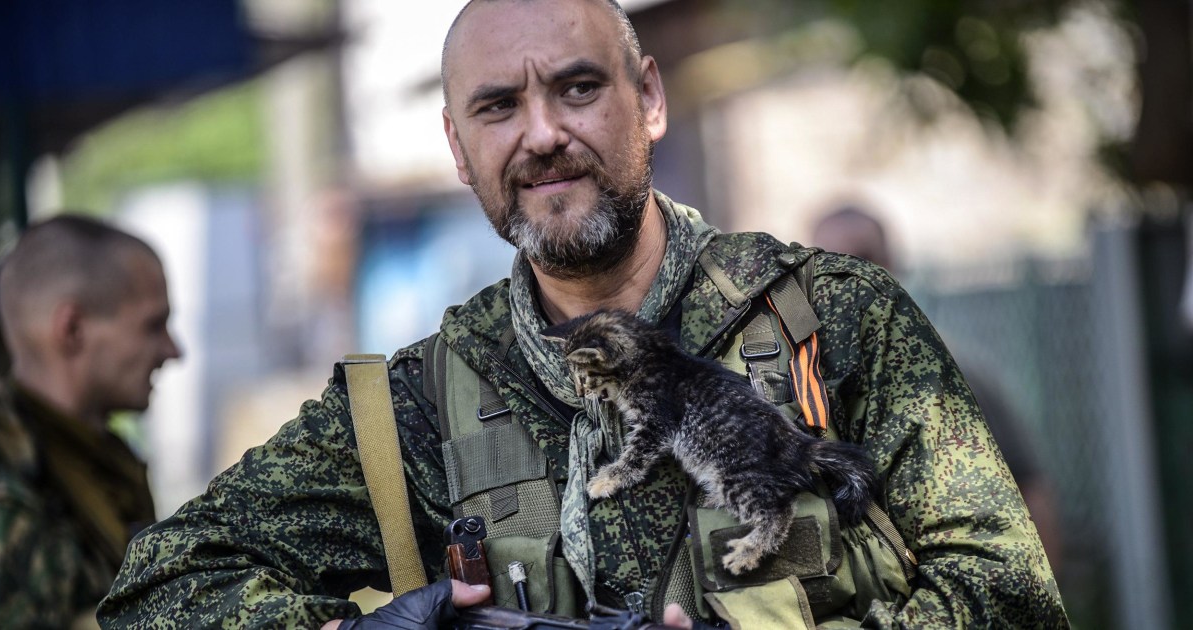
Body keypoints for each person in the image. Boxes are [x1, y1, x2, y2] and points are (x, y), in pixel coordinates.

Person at [99, 1, 1068, 628]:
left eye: (577, 87)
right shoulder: (414, 410)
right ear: (457, 146)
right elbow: (162, 586)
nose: (543, 134)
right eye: (496, 107)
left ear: (647, 99)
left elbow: (1015, 593)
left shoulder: (838, 319)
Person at [810, 205, 1065, 576]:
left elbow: (1029, 491)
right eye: (829, 262)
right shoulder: (799, 388)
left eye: (864, 257)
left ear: (893, 264)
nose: (850, 276)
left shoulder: (958, 373)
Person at [0, 215, 182, 628]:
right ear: (73, 329)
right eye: (153, 325)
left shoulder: (95, 459)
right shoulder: (11, 480)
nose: (173, 350)